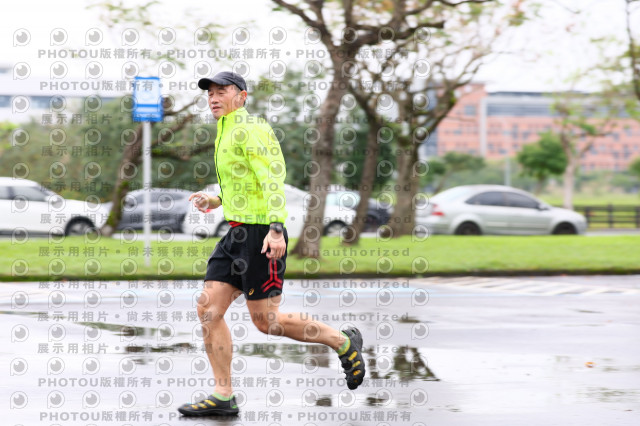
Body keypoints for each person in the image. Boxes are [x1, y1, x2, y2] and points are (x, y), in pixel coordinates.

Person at [177, 71, 365, 417]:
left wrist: (276, 228)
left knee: (267, 322)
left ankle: (342, 342)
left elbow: (272, 179)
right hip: (235, 235)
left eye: (222, 91)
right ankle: (223, 395)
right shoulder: (225, 129)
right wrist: (216, 200)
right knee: (208, 310)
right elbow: (244, 183)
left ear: (242, 96)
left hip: (261, 235)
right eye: (210, 93)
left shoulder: (252, 128)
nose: (214, 98)